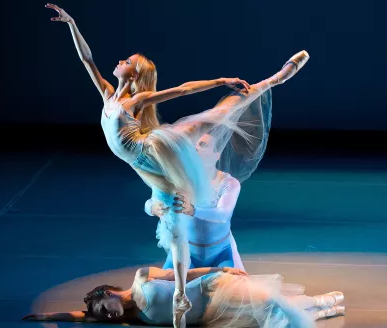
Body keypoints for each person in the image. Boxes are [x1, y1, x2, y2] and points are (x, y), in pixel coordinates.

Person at [45, 4, 309, 327]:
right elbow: (87, 59)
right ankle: (181, 293)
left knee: (210, 120)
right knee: (169, 213)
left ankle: (272, 81)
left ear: (135, 74)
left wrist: (220, 80)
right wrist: (72, 23)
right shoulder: (108, 94)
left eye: (126, 62)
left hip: (153, 151)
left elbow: (181, 91)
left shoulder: (133, 102)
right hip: (143, 165)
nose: (119, 62)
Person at [22, 266, 345, 328]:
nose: (109, 316)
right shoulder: (134, 318)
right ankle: (324, 310)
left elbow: (184, 273)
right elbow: (82, 317)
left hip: (214, 288)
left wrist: (221, 268)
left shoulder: (143, 278)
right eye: (106, 316)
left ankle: (324, 300)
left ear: (109, 293)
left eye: (106, 308)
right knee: (265, 321)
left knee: (271, 303)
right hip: (211, 317)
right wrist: (47, 317)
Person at [145, 133, 245, 270]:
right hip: (187, 251)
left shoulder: (228, 183)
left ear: (217, 155)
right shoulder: (179, 178)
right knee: (158, 286)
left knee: (231, 287)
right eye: (194, 145)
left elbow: (223, 215)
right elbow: (150, 202)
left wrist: (193, 210)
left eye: (202, 145)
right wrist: (153, 208)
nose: (196, 148)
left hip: (220, 253)